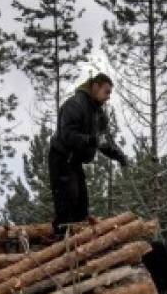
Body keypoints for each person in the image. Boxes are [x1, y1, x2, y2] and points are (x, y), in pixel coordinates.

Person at [48, 73, 128, 234]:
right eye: (106, 92)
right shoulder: (75, 105)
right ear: (96, 87)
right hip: (61, 159)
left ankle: (77, 246)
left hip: (74, 162)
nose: (108, 97)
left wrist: (119, 156)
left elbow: (104, 141)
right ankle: (61, 245)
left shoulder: (98, 114)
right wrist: (89, 140)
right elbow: (67, 134)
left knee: (81, 206)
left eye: (110, 93)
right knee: (67, 204)